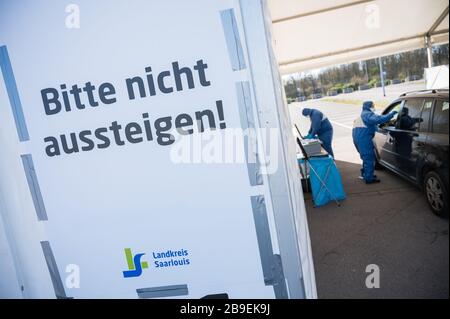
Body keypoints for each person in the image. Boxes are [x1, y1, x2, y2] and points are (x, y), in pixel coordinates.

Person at [352, 101, 397, 184]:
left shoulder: (364, 114)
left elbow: (374, 126)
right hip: (363, 140)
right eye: (373, 105)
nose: (374, 107)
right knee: (369, 158)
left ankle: (365, 174)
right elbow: (378, 119)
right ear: (369, 106)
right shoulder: (367, 114)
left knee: (366, 158)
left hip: (359, 139)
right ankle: (369, 179)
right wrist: (391, 114)